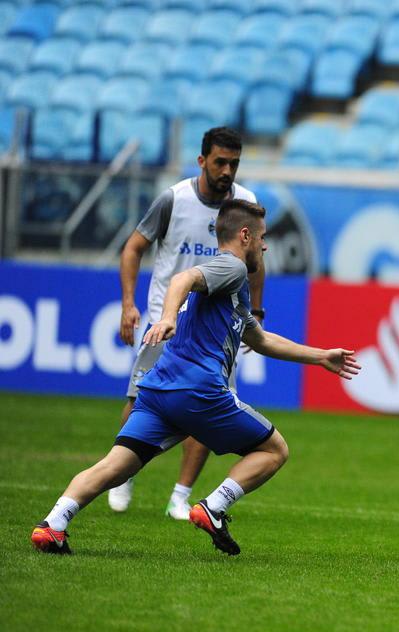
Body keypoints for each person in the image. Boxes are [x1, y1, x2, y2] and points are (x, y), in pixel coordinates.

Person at [30, 200, 359, 556]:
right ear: (245, 235)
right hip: (199, 390)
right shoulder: (231, 267)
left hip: (158, 391)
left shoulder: (231, 291)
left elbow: (259, 338)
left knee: (115, 465)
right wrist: (167, 317)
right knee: (274, 450)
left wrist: (321, 356)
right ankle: (214, 507)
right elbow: (183, 278)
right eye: (262, 237)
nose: (264, 246)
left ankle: (53, 524)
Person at [110, 127, 262, 520]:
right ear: (202, 161)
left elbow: (256, 264)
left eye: (234, 163)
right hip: (169, 320)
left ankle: (181, 494)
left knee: (210, 405)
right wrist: (129, 305)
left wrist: (255, 313)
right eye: (220, 162)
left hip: (216, 326)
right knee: (139, 399)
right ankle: (123, 475)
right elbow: (133, 248)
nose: (227, 170)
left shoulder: (247, 204)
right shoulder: (173, 199)